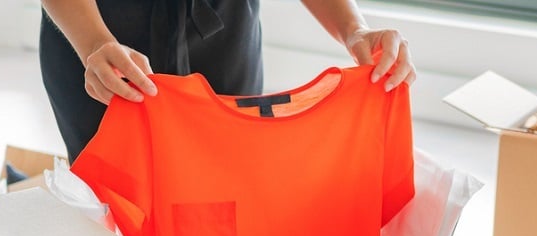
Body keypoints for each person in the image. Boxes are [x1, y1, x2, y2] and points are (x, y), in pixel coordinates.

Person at [40, 0, 416, 162]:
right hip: (98, 34)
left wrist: (354, 29)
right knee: (112, 219)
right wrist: (94, 41)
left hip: (223, 31)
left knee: (224, 195)